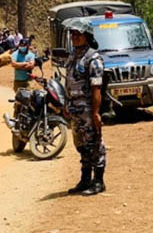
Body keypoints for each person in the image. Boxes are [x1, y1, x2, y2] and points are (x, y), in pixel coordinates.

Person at [64, 23, 107, 196]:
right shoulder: (73, 57)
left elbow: (96, 88)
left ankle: (98, 181)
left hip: (88, 110)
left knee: (94, 144)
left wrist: (96, 112)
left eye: (79, 34)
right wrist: (67, 105)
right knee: (81, 145)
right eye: (73, 34)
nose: (75, 37)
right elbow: (68, 83)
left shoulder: (93, 58)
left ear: (87, 36)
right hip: (75, 109)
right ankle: (85, 179)